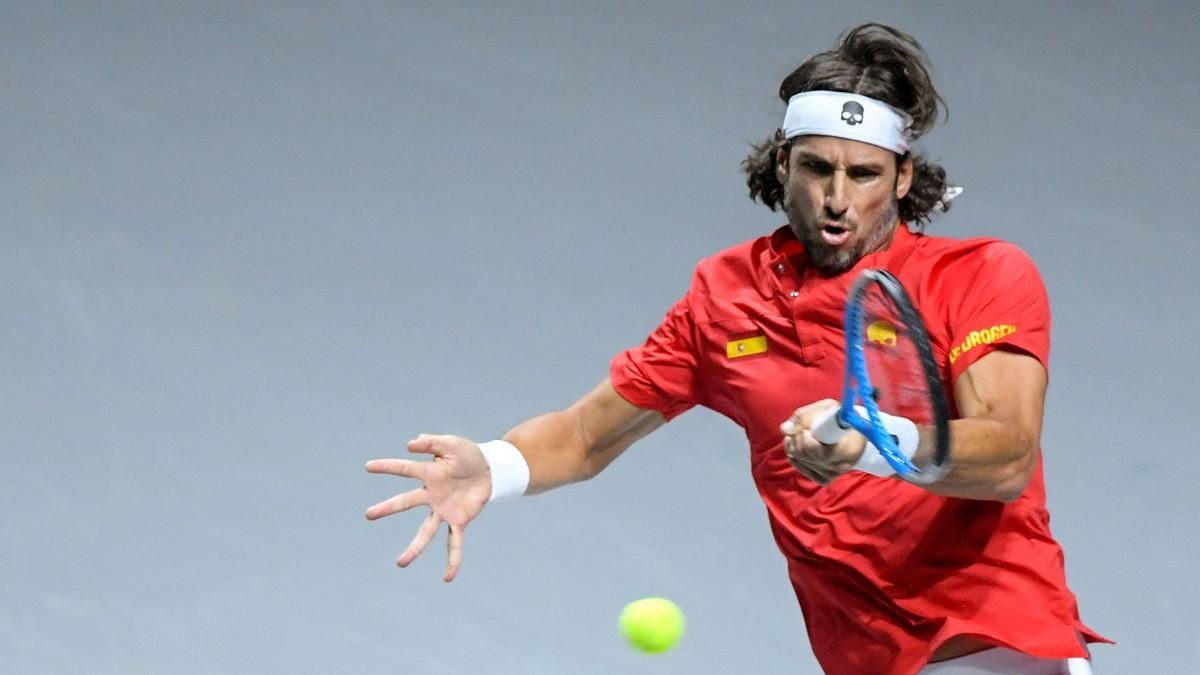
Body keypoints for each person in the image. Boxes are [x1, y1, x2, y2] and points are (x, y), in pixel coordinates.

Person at [365, 23, 1108, 675]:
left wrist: (875, 441)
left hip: (994, 646)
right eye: (816, 167)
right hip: (866, 657)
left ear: (903, 177)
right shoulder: (725, 297)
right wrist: (493, 466)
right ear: (782, 163)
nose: (837, 198)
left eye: (864, 173)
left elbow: (1008, 455)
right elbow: (586, 436)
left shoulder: (980, 275)